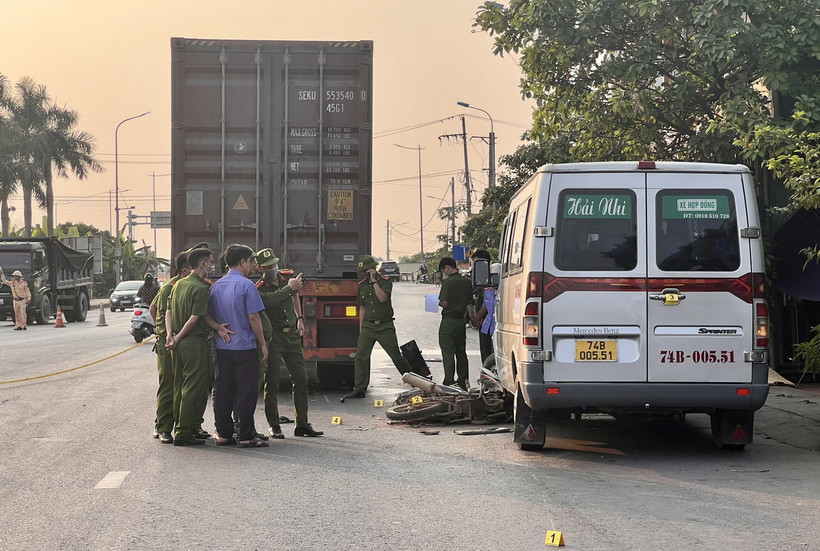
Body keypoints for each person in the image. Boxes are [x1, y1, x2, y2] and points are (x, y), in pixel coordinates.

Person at [165, 248, 231, 446]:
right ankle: (184, 431)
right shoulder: (200, 288)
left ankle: (188, 427)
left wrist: (171, 335)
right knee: (192, 388)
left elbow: (168, 311)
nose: (213, 265)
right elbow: (195, 318)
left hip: (178, 342)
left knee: (180, 386)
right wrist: (179, 337)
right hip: (193, 342)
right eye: (211, 261)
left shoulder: (179, 284)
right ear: (203, 264)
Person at [255, 247, 323, 438]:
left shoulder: (287, 278)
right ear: (260, 269)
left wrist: (300, 318)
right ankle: (274, 425)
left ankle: (302, 424)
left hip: (291, 335)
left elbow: (294, 295)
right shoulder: (259, 289)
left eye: (274, 264)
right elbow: (271, 301)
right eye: (268, 266)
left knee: (301, 379)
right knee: (272, 382)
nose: (272, 268)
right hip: (274, 338)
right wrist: (290, 288)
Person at [208, 244, 269, 448]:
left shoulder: (215, 286)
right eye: (251, 261)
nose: (252, 266)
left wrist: (218, 328)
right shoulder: (247, 286)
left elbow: (208, 314)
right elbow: (253, 317)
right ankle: (245, 435)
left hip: (223, 346)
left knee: (223, 390)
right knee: (246, 391)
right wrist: (263, 344)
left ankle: (223, 433)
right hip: (244, 347)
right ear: (242, 262)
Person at [342, 255, 412, 401]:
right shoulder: (362, 286)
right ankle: (359, 388)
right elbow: (362, 307)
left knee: (396, 356)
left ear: (373, 269)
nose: (363, 274)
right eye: (362, 272)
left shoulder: (385, 282)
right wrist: (361, 328)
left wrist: (374, 280)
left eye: (366, 271)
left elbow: (382, 298)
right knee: (361, 357)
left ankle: (415, 381)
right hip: (368, 326)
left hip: (385, 326)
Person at [149, 252, 191, 444]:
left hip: (182, 340)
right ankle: (164, 427)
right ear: (185, 270)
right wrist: (164, 332)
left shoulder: (187, 285)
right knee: (168, 384)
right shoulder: (170, 287)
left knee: (183, 385)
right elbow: (154, 309)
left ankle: (187, 425)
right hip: (168, 342)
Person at [437, 257, 473, 390]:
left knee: (448, 352)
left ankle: (449, 381)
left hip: (449, 321)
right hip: (461, 321)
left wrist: (438, 302)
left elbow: (444, 303)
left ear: (447, 268)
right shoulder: (467, 282)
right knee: (461, 352)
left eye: (443, 271)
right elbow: (470, 302)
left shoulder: (448, 283)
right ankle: (463, 381)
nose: (444, 274)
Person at [471, 262, 501, 365]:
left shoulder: (505, 291)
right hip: (486, 326)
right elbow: (485, 306)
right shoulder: (487, 291)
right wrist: (476, 318)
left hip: (497, 327)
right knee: (485, 353)